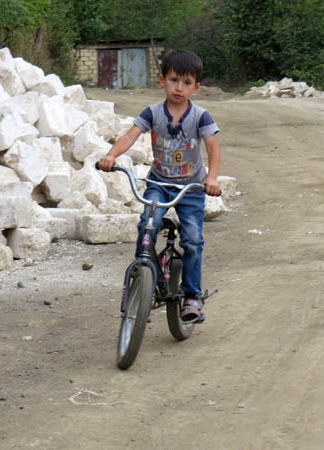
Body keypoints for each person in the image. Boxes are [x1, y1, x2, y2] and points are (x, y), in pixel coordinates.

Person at [98, 49, 221, 323]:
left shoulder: (200, 116)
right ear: (162, 80)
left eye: (187, 83)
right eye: (174, 80)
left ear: (196, 87)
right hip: (159, 183)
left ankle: (191, 296)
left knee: (191, 239)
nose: (179, 87)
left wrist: (210, 179)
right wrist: (111, 156)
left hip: (190, 188)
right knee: (147, 224)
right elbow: (131, 135)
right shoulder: (152, 112)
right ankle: (145, 278)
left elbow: (213, 149)